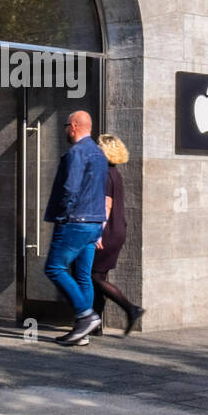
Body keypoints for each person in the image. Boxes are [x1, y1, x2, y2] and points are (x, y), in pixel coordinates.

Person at [43, 110, 108, 347]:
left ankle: (85, 315)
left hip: (75, 222)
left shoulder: (77, 152)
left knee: (54, 268)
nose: (65, 132)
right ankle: (83, 332)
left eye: (65, 126)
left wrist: (62, 215)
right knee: (82, 275)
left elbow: (70, 189)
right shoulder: (100, 154)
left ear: (73, 126)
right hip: (92, 224)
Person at [91, 133, 143, 336]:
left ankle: (131, 308)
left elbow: (106, 205)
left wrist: (98, 233)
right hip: (116, 230)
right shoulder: (115, 173)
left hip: (107, 231)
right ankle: (96, 324)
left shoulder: (104, 173)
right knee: (99, 276)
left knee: (93, 276)